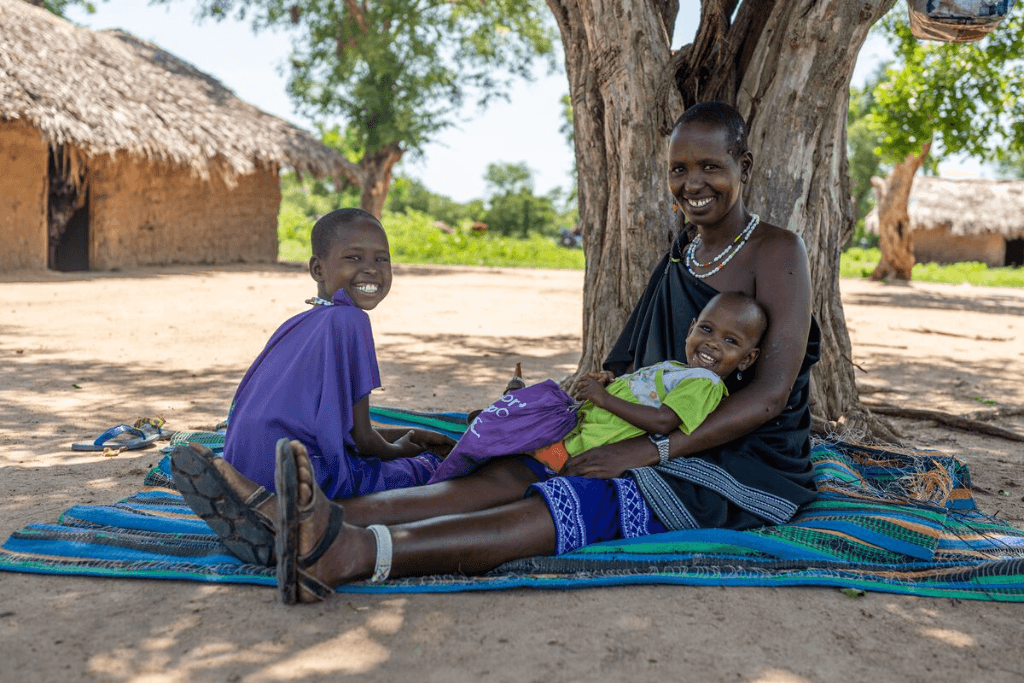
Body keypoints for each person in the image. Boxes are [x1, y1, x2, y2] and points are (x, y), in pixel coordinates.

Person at [176, 101, 822, 603]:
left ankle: (346, 554)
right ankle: (295, 519)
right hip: (638, 423)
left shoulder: (777, 250)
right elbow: (631, 370)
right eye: (679, 168)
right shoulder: (683, 251)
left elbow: (767, 397)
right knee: (503, 470)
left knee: (561, 504)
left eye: (710, 166)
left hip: (734, 455)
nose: (692, 182)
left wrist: (648, 448)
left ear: (744, 165)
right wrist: (557, 409)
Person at [171, 208, 455, 566]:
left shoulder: (297, 323)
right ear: (318, 269)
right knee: (424, 469)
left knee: (392, 457)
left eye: (381, 259)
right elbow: (365, 439)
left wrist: (405, 432)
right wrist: (404, 451)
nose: (371, 268)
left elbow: (333, 424)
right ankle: (292, 518)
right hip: (299, 473)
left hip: (245, 466)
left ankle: (252, 504)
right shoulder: (352, 321)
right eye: (354, 257)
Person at [428, 291, 767, 481]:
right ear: (691, 328)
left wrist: (605, 399)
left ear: (747, 359)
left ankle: (505, 431)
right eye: (706, 330)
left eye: (730, 341)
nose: (712, 344)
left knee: (528, 433)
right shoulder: (680, 369)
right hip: (587, 420)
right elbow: (643, 391)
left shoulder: (705, 383)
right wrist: (612, 383)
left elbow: (664, 421)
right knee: (543, 404)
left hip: (591, 439)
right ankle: (503, 420)